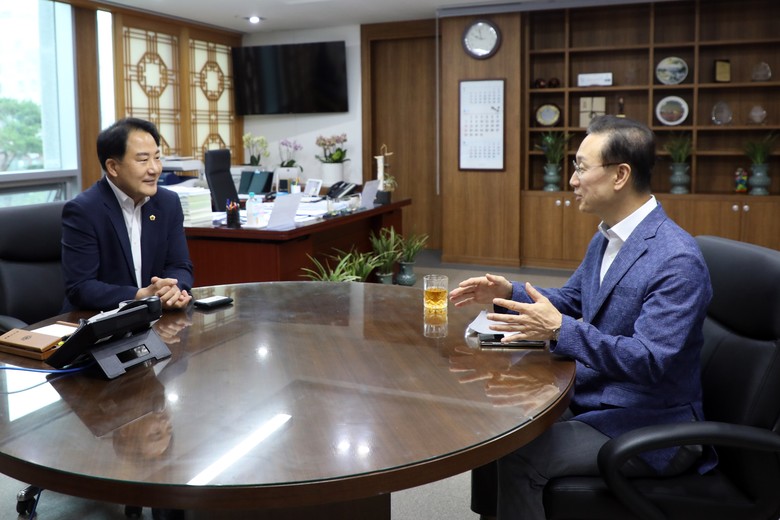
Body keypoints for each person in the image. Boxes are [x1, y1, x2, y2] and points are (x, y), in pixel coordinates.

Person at [449, 115, 715, 519]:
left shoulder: (676, 259)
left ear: (620, 175)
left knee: (520, 453)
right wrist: (508, 292)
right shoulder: (607, 236)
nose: (572, 180)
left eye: (580, 167)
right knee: (497, 427)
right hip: (597, 396)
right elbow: (574, 300)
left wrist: (561, 330)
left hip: (650, 424)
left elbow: (650, 360)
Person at [62, 117, 193, 312]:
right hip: (97, 320)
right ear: (113, 167)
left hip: (152, 317)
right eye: (143, 160)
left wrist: (172, 290)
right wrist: (139, 296)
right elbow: (81, 287)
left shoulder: (168, 203)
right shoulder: (84, 210)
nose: (154, 169)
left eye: (157, 158)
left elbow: (180, 265)